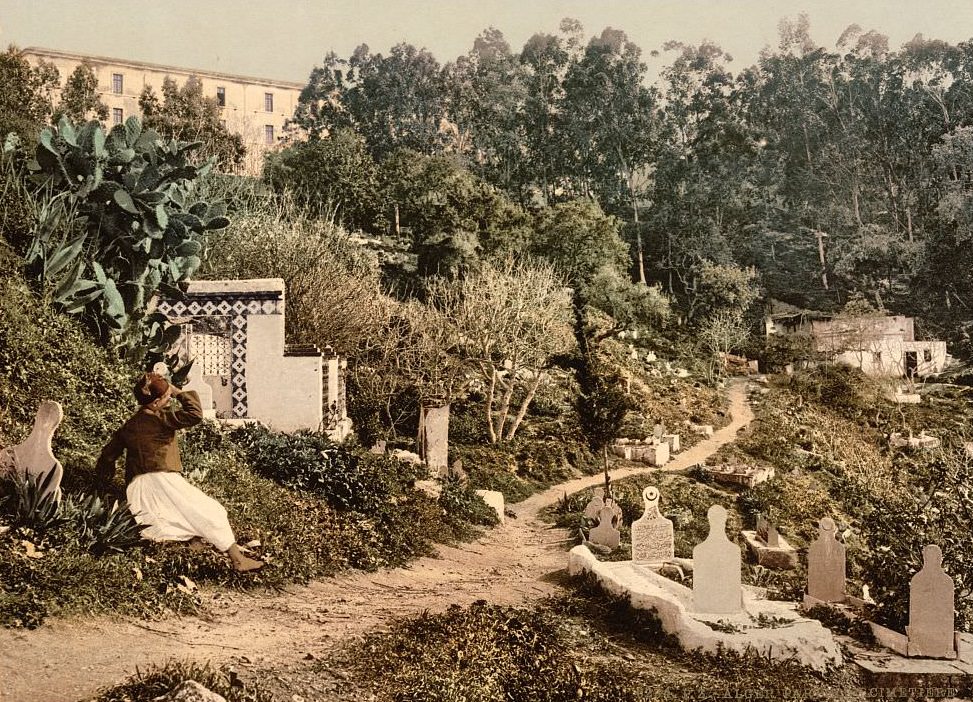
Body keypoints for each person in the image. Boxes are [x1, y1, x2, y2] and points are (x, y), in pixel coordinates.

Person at [96, 372, 264, 572]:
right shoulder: (163, 418)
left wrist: (102, 480)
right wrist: (177, 392)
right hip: (162, 481)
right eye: (167, 398)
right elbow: (195, 414)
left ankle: (190, 554)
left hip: (138, 487)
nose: (169, 401)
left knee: (169, 522)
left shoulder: (130, 425)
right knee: (212, 512)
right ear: (157, 402)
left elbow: (108, 454)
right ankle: (238, 560)